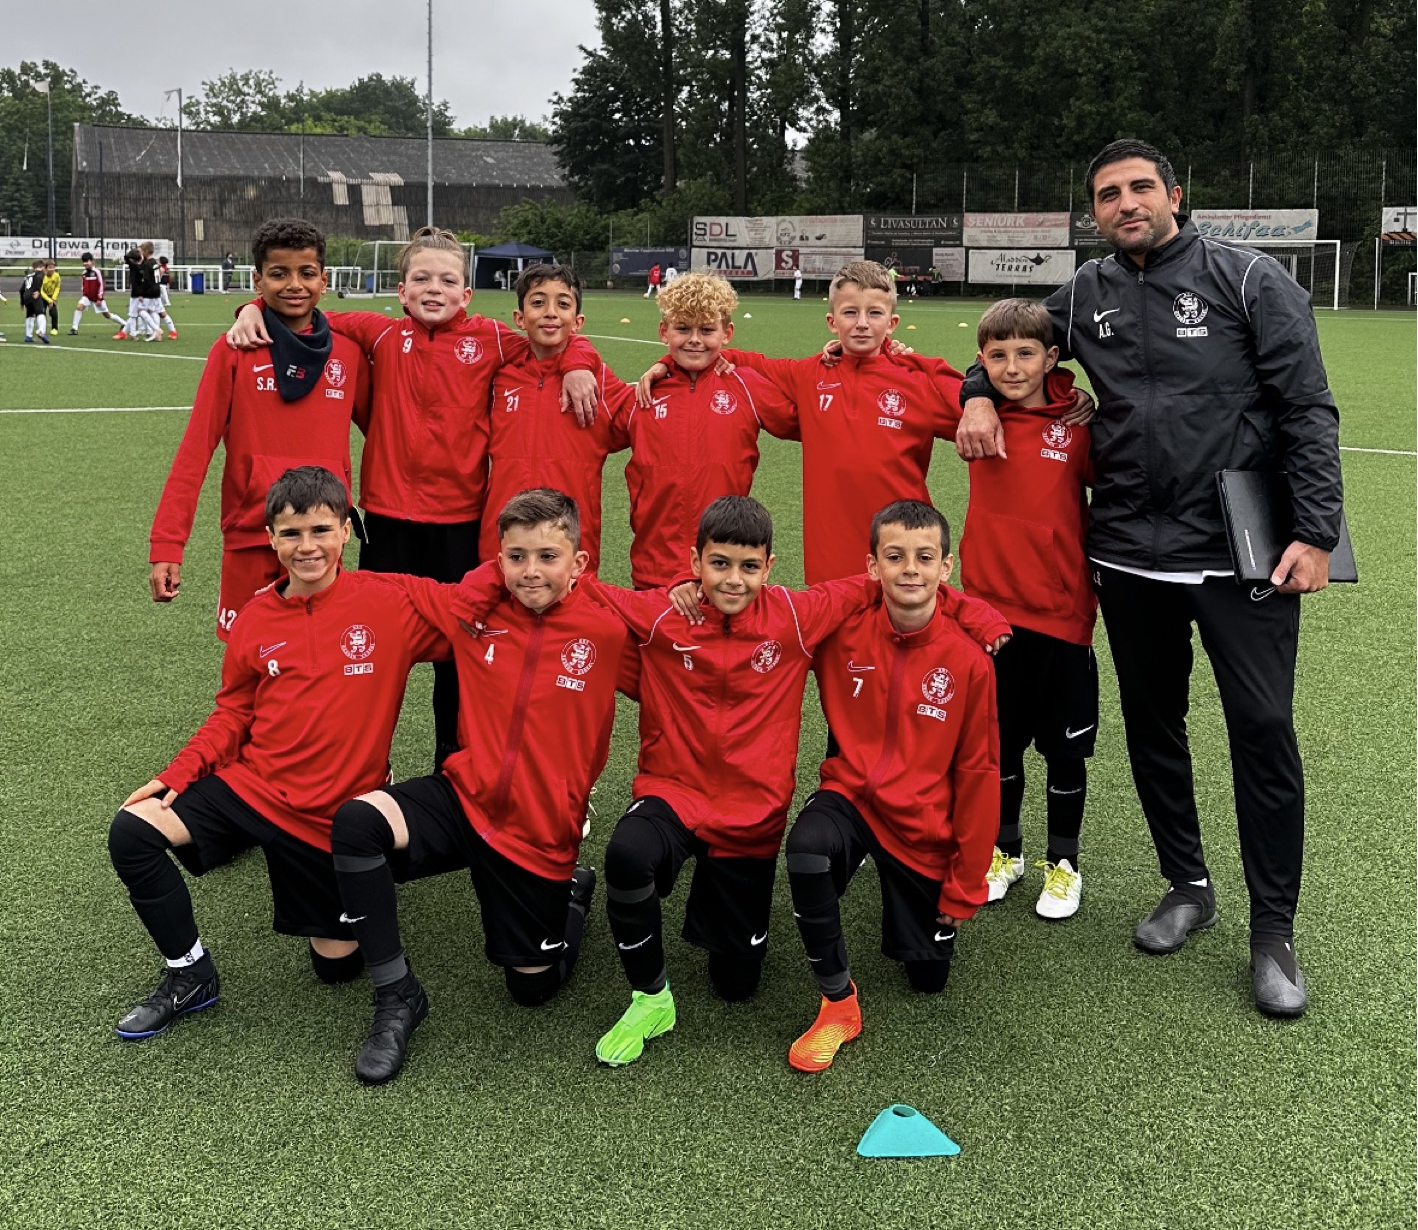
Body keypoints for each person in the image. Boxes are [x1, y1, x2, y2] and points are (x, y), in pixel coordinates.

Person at [953, 138, 1344, 1017]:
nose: (1125, 203)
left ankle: (1273, 930)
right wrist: (977, 388)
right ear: (1094, 212)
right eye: (1107, 194)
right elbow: (1010, 340)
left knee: (1262, 728)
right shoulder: (1087, 291)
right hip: (1129, 551)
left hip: (1238, 551)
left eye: (1139, 188)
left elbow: (1306, 407)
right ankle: (1188, 885)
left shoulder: (1248, 278)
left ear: (1174, 193)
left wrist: (1316, 533)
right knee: (1154, 724)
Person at [569, 495, 1008, 1067]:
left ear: (769, 566)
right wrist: (680, 586)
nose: (733, 579)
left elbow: (902, 583)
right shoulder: (664, 615)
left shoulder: (799, 619)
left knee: (749, 985)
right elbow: (575, 585)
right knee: (632, 853)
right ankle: (655, 999)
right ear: (696, 563)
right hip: (679, 793)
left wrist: (976, 614)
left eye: (748, 566)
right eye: (718, 564)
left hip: (762, 817)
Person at [227, 226, 600, 771]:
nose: (434, 289)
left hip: (459, 525)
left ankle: (454, 762)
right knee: (370, 649)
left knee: (461, 649)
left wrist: (579, 361)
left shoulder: (495, 339)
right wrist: (249, 308)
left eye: (447, 281)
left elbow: (553, 335)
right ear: (401, 291)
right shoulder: (378, 333)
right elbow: (304, 311)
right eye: (421, 279)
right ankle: (361, 763)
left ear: (466, 294)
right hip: (386, 523)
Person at [107, 467, 450, 1040]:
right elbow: (234, 712)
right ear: (270, 538)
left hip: (333, 816)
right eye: (291, 533)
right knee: (132, 831)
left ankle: (352, 875)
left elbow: (481, 614)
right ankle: (190, 973)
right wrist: (179, 773)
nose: (307, 547)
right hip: (257, 787)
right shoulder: (256, 616)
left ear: (346, 531)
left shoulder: (391, 601)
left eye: (321, 530)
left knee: (336, 967)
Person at [327, 489, 631, 1084]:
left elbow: (689, 650)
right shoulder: (472, 613)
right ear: (498, 559)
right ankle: (396, 996)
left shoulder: (611, 627)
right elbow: (392, 587)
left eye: (547, 556)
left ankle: (571, 893)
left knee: (531, 990)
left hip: (540, 827)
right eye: (516, 557)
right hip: (464, 798)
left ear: (579, 561)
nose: (530, 571)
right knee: (357, 823)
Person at [784, 500, 1004, 1072]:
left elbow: (979, 777)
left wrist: (965, 885)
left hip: (921, 824)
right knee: (807, 847)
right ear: (872, 565)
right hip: (851, 796)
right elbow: (767, 614)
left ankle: (916, 908)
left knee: (928, 978)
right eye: (895, 557)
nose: (910, 569)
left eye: (925, 558)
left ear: (946, 568)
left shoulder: (969, 662)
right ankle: (838, 1003)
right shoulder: (841, 633)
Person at [945, 299, 1097, 920]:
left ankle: (1064, 865)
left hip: (1061, 614)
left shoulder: (1080, 424)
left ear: (1052, 357)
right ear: (980, 361)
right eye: (998, 355)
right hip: (990, 617)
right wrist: (971, 396)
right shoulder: (976, 418)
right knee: (999, 748)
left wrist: (1090, 404)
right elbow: (915, 381)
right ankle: (1004, 852)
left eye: (1026, 354)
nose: (1012, 367)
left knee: (1065, 752)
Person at [149, 218, 370, 641]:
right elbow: (195, 450)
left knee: (318, 655)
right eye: (279, 274)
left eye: (307, 273)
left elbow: (386, 433)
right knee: (249, 656)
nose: (294, 285)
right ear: (258, 280)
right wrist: (167, 544)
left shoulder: (347, 353)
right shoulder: (234, 349)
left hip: (322, 536)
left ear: (324, 280)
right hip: (251, 534)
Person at [614, 271, 799, 588]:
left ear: (727, 333)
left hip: (726, 565)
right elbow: (587, 434)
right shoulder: (643, 394)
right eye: (683, 328)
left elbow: (813, 422)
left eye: (707, 330)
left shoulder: (746, 385)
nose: (695, 339)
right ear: (664, 331)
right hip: (654, 565)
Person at [479, 264, 627, 574]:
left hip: (569, 538)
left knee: (571, 604)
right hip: (504, 536)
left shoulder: (599, 382)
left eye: (563, 303)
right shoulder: (498, 377)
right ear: (519, 318)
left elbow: (651, 417)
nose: (550, 312)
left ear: (578, 321)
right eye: (538, 302)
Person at [70, 252, 125, 334]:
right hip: (87, 297)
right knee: (79, 307)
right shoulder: (84, 273)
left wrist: (99, 298)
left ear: (92, 261)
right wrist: (84, 292)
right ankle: (74, 329)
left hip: (97, 298)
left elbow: (101, 285)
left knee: (107, 315)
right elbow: (84, 285)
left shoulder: (97, 272)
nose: (85, 263)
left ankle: (124, 323)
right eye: (84, 262)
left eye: (87, 261)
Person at [20, 260, 49, 344]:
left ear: (33, 268)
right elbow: (39, 279)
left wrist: (22, 302)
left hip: (26, 296)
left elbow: (21, 290)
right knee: (40, 313)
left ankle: (28, 336)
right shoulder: (40, 273)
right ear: (42, 267)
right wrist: (38, 290)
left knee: (30, 314)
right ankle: (41, 332)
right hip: (34, 295)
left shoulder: (28, 276)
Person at [152, 250, 178, 339]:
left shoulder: (159, 268)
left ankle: (169, 331)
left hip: (153, 292)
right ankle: (155, 331)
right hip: (152, 291)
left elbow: (158, 276)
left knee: (159, 313)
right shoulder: (161, 268)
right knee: (154, 312)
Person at [40, 260, 61, 335]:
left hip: (52, 296)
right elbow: (40, 290)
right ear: (46, 268)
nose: (52, 269)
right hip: (43, 297)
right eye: (50, 267)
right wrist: (49, 300)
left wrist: (54, 298)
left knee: (54, 313)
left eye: (53, 267)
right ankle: (41, 329)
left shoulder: (57, 276)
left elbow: (57, 287)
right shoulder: (42, 277)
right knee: (41, 313)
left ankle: (54, 328)